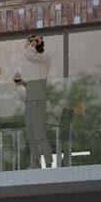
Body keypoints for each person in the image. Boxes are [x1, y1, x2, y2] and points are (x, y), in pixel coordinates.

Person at [17, 31, 58, 167]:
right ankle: (35, 162)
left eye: (30, 42)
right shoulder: (34, 61)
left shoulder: (44, 58)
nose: (28, 45)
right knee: (30, 134)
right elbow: (32, 86)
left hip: (38, 100)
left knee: (39, 133)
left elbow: (28, 54)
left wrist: (35, 41)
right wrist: (21, 82)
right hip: (30, 100)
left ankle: (48, 162)